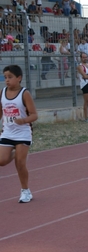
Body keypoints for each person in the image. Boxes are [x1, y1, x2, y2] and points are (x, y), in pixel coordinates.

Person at [0, 65, 38, 203]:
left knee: (20, 164)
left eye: (10, 77)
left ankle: (25, 191)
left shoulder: (24, 93)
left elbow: (34, 115)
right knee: (2, 161)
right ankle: (16, 152)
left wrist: (23, 120)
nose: (7, 80)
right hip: (7, 132)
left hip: (22, 132)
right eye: (5, 77)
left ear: (19, 78)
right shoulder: (2, 92)